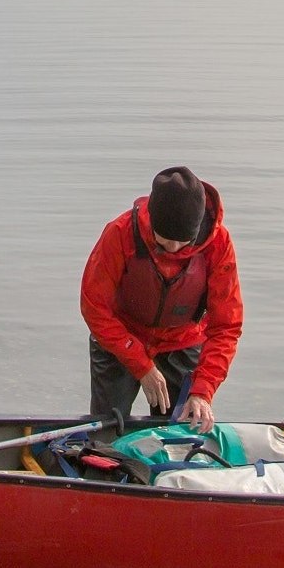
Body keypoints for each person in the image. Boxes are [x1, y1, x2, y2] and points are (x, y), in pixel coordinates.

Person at [79, 166, 243, 431]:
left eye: (184, 244)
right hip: (121, 337)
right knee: (107, 427)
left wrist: (203, 389)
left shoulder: (219, 244)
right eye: (165, 242)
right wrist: (141, 365)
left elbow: (226, 326)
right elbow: (94, 306)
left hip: (182, 340)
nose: (174, 251)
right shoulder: (119, 233)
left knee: (183, 427)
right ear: (152, 221)